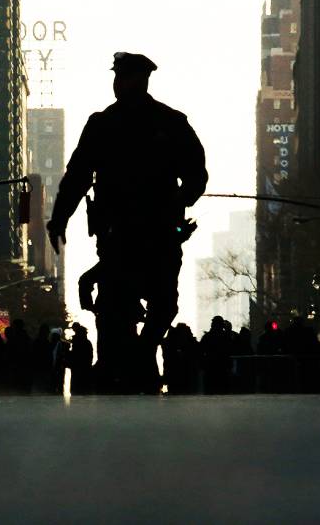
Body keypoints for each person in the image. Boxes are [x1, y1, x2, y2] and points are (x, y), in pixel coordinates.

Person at [47, 52, 208, 393]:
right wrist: (58, 218)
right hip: (125, 234)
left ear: (139, 80)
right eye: (118, 77)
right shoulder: (109, 123)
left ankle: (140, 353)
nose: (119, 83)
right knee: (129, 306)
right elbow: (77, 177)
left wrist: (177, 202)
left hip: (145, 233)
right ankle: (126, 363)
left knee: (161, 301)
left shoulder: (162, 123)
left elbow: (196, 176)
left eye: (123, 77)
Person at [67, 323, 94, 395]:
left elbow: (75, 355)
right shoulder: (86, 342)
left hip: (78, 369)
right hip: (83, 369)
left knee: (77, 389)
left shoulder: (77, 342)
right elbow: (90, 357)